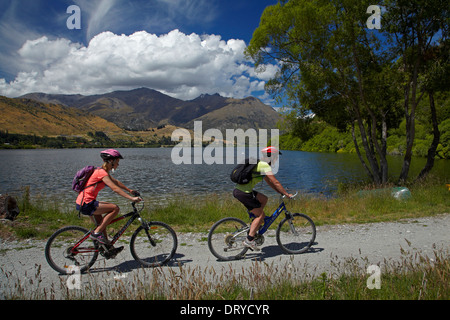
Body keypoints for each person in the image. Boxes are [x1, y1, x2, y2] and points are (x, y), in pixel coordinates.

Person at [76, 149, 142, 250]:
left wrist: (129, 190)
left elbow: (116, 182)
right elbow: (115, 188)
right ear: (111, 161)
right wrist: (131, 198)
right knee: (115, 208)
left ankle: (107, 248)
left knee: (102, 224)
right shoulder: (101, 173)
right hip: (86, 204)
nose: (118, 165)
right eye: (117, 162)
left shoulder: (101, 172)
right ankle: (96, 234)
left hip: (84, 202)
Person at [232, 146, 293, 251]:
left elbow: (270, 183)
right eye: (276, 157)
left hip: (241, 191)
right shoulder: (264, 166)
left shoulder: (260, 165)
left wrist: (279, 192)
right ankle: (249, 240)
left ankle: (254, 223)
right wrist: (286, 194)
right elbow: (276, 182)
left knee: (264, 199)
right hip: (244, 193)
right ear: (272, 156)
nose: (276, 159)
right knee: (261, 215)